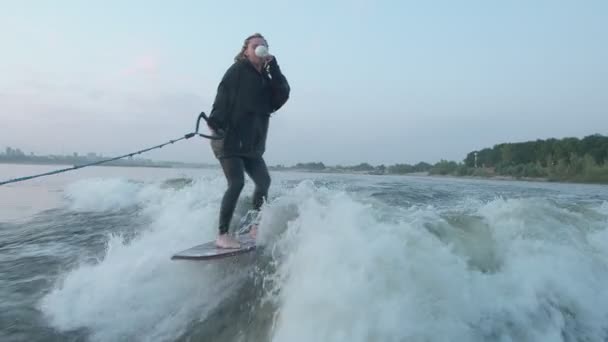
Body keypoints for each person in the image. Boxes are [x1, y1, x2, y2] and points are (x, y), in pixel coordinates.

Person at [206, 33, 291, 249]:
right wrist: (215, 120)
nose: (260, 49)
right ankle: (223, 234)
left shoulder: (266, 79)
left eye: (264, 46)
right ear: (246, 51)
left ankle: (254, 226)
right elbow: (223, 94)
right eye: (255, 46)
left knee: (264, 182)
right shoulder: (237, 71)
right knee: (237, 182)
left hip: (252, 145)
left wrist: (275, 68)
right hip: (228, 139)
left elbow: (282, 95)